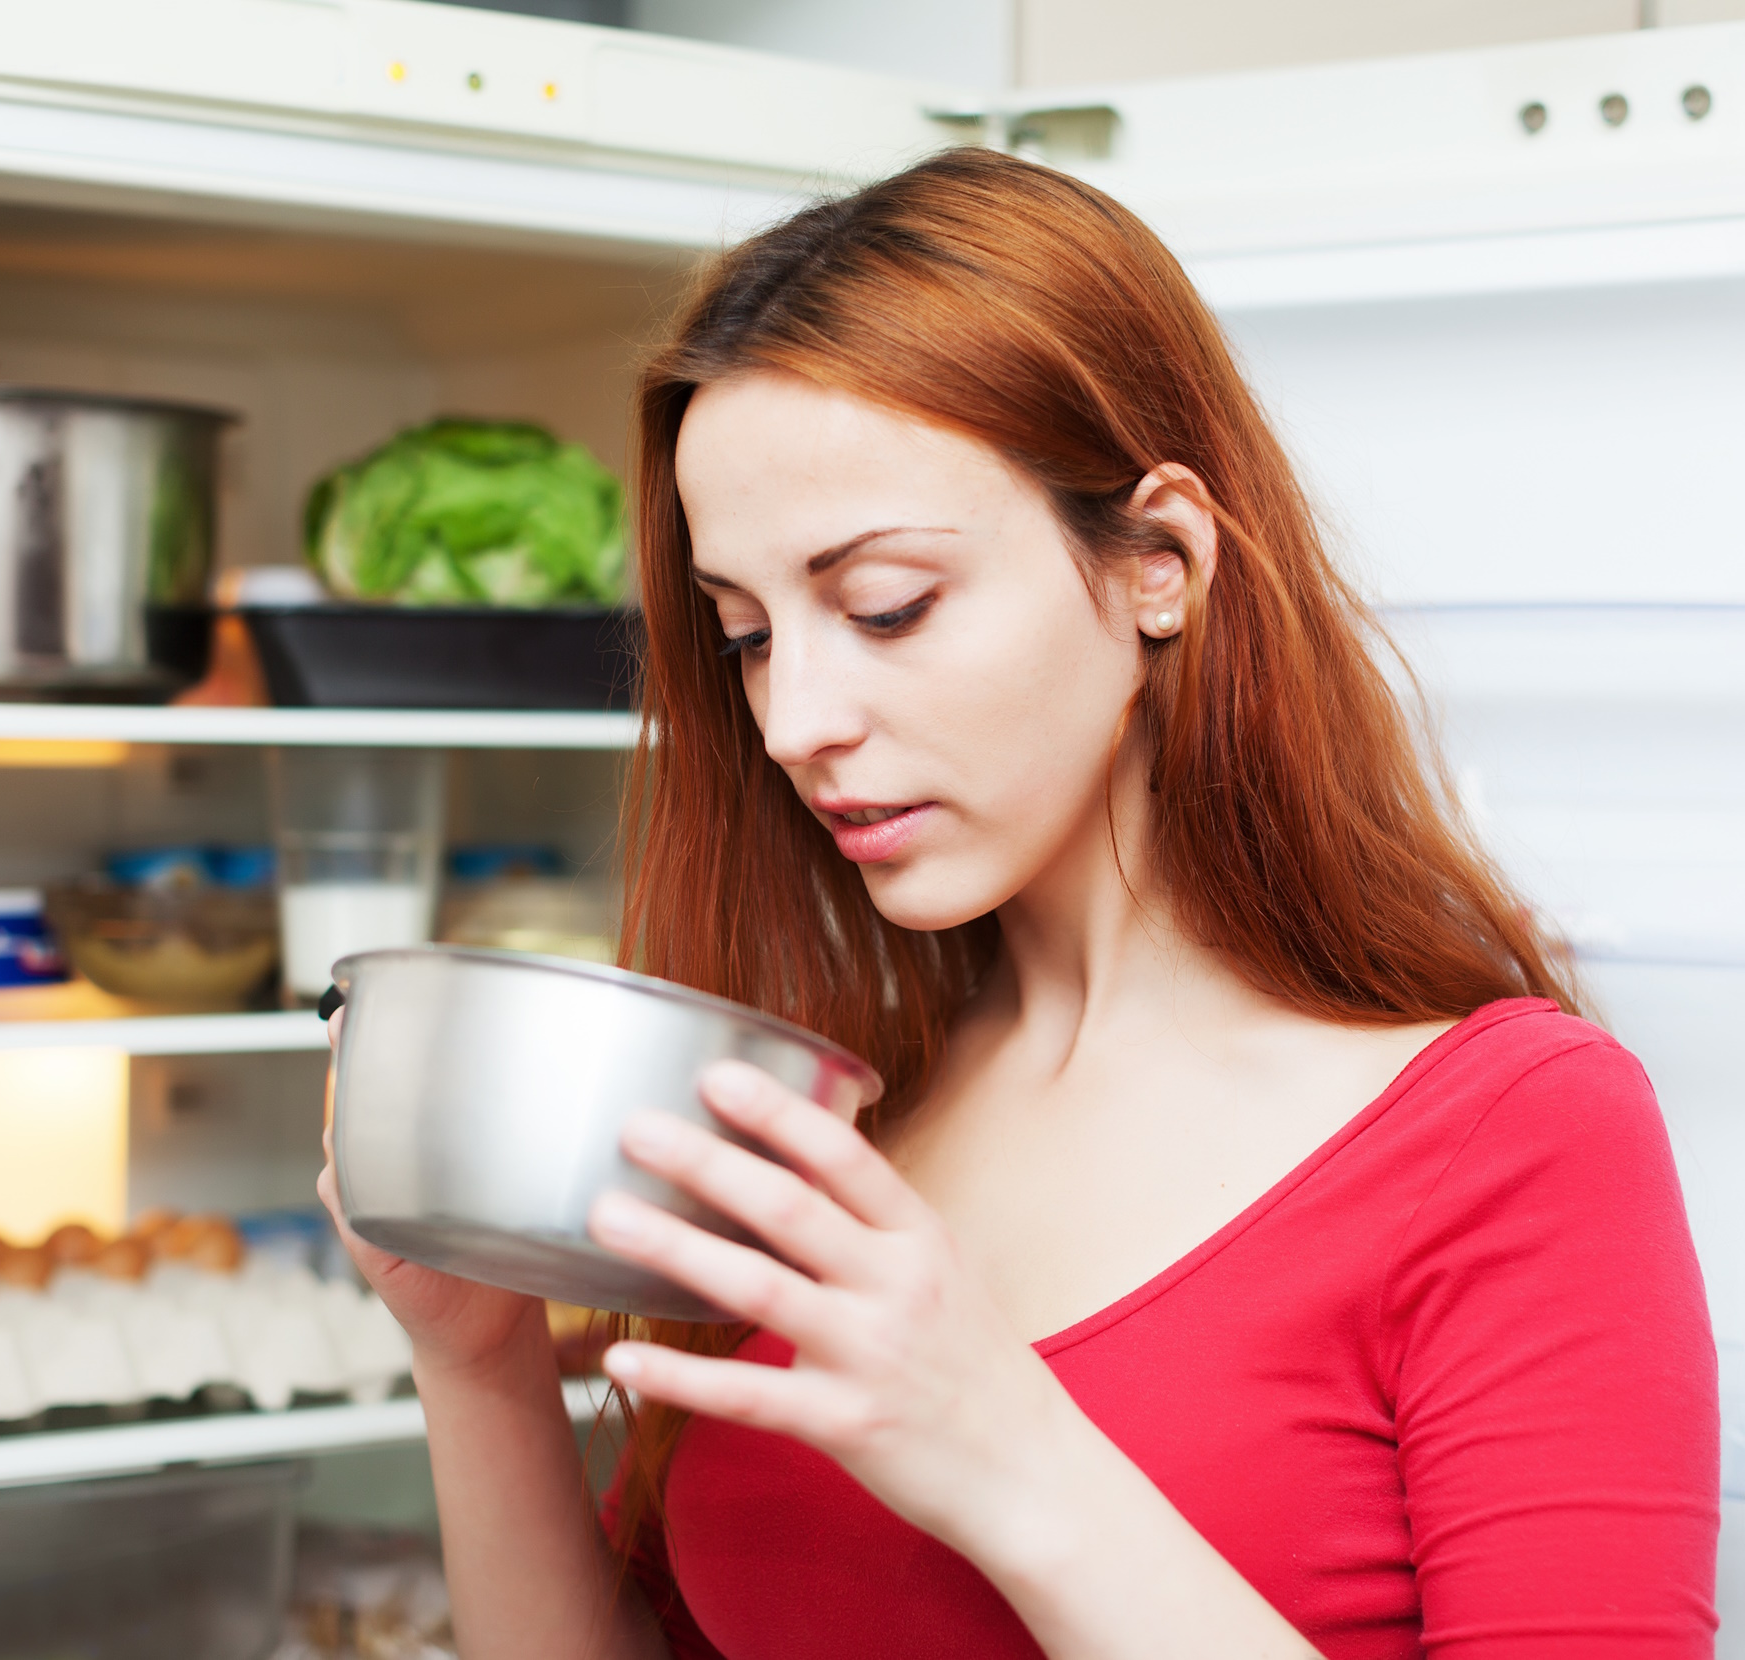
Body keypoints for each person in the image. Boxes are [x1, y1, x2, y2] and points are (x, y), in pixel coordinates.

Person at [318, 148, 1719, 1658]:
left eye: (885, 607)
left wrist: (1006, 1452)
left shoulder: (1509, 1136)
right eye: (745, 636)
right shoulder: (834, 1114)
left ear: (1161, 564)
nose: (794, 722)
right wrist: (479, 1373)